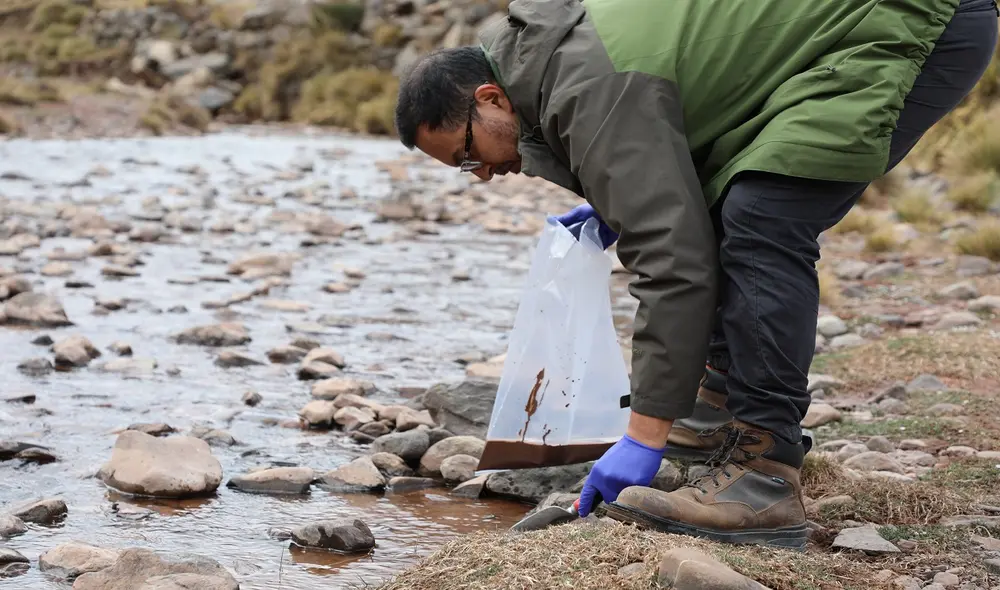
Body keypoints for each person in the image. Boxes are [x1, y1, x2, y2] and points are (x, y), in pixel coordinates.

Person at [393, 0, 998, 549]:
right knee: (717, 206)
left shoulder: (581, 87)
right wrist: (617, 201)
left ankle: (764, 477)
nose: (479, 173)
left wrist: (644, 436)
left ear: (492, 97)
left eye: (467, 154)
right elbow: (672, 185)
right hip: (861, 29)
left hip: (909, 24)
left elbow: (671, 263)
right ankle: (712, 411)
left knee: (762, 217)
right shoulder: (551, 63)